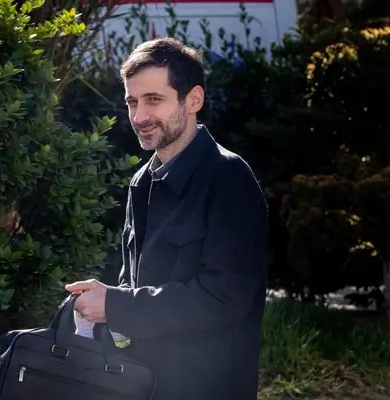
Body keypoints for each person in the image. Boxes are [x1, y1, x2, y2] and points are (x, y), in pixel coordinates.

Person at [65, 38, 269, 400]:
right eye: (132, 102)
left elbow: (224, 297)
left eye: (153, 100)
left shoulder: (229, 178)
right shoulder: (141, 182)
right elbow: (136, 286)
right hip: (142, 385)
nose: (139, 117)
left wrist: (116, 305)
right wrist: (102, 306)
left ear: (193, 100)